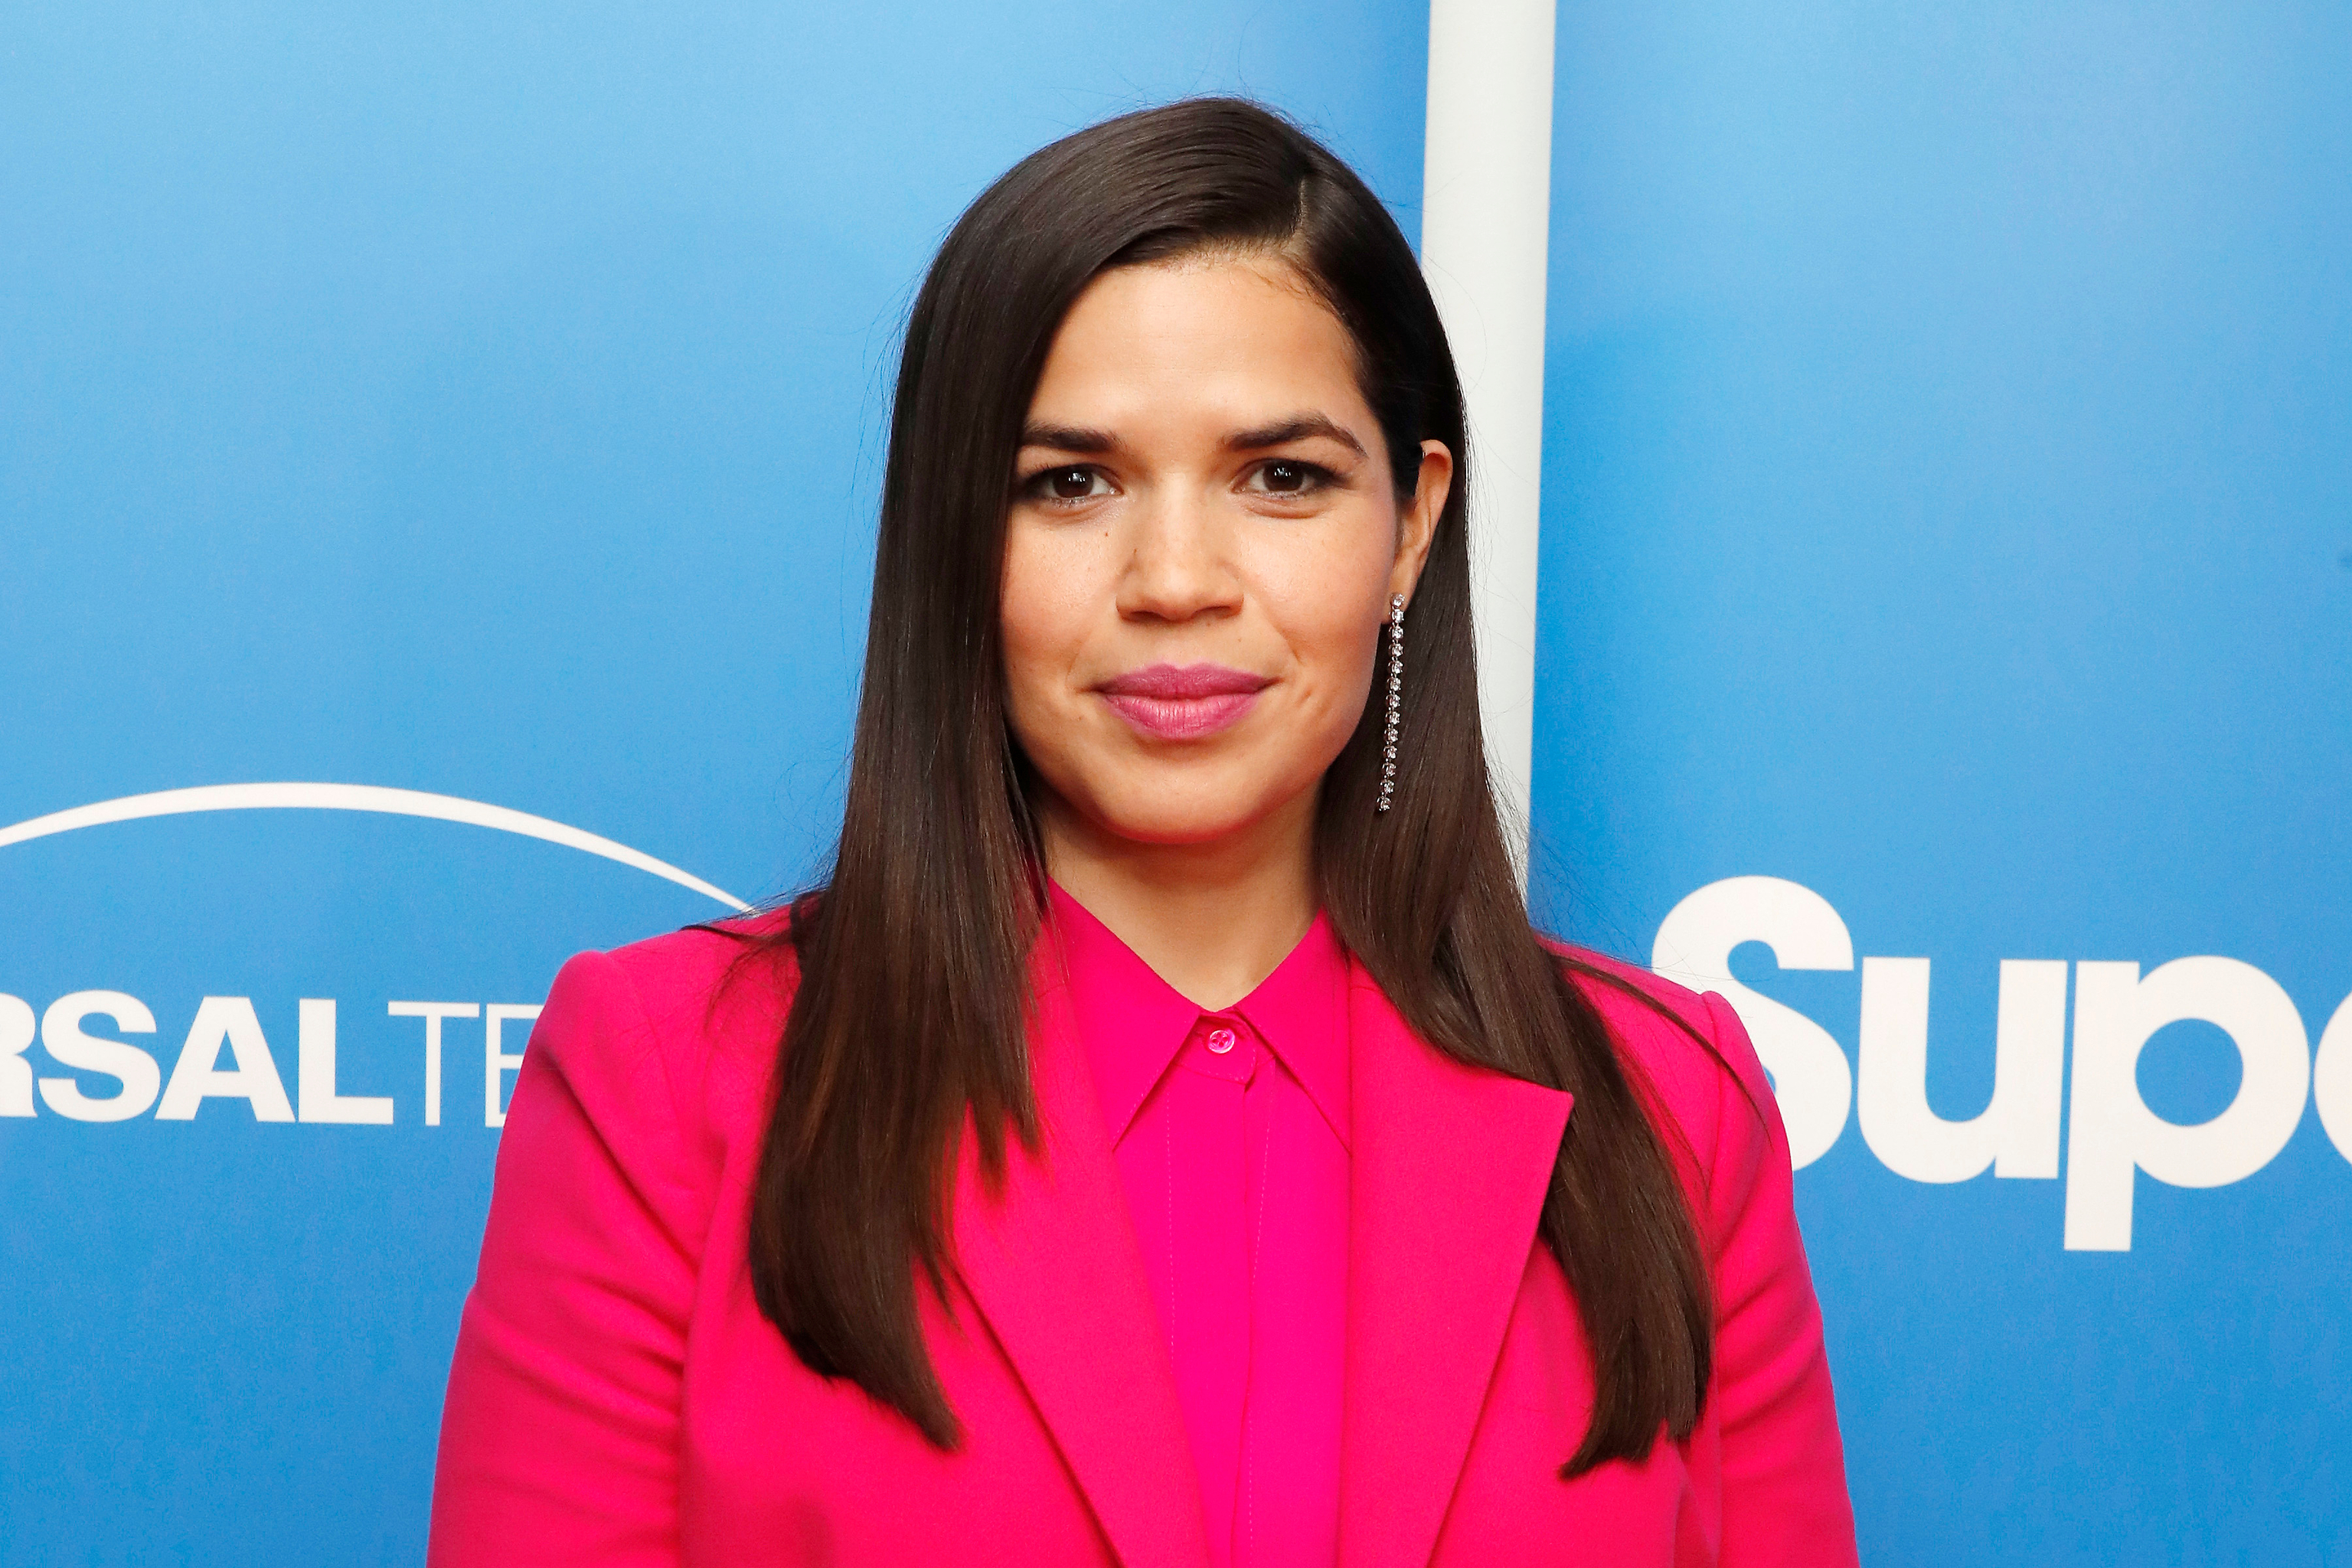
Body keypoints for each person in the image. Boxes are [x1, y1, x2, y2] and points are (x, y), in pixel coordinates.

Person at [427, 97, 1858, 1567]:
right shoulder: (670, 1082)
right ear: (954, 538)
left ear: (1413, 524)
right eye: (1073, 484)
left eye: (1280, 478)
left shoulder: (1677, 1115)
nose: (1176, 578)